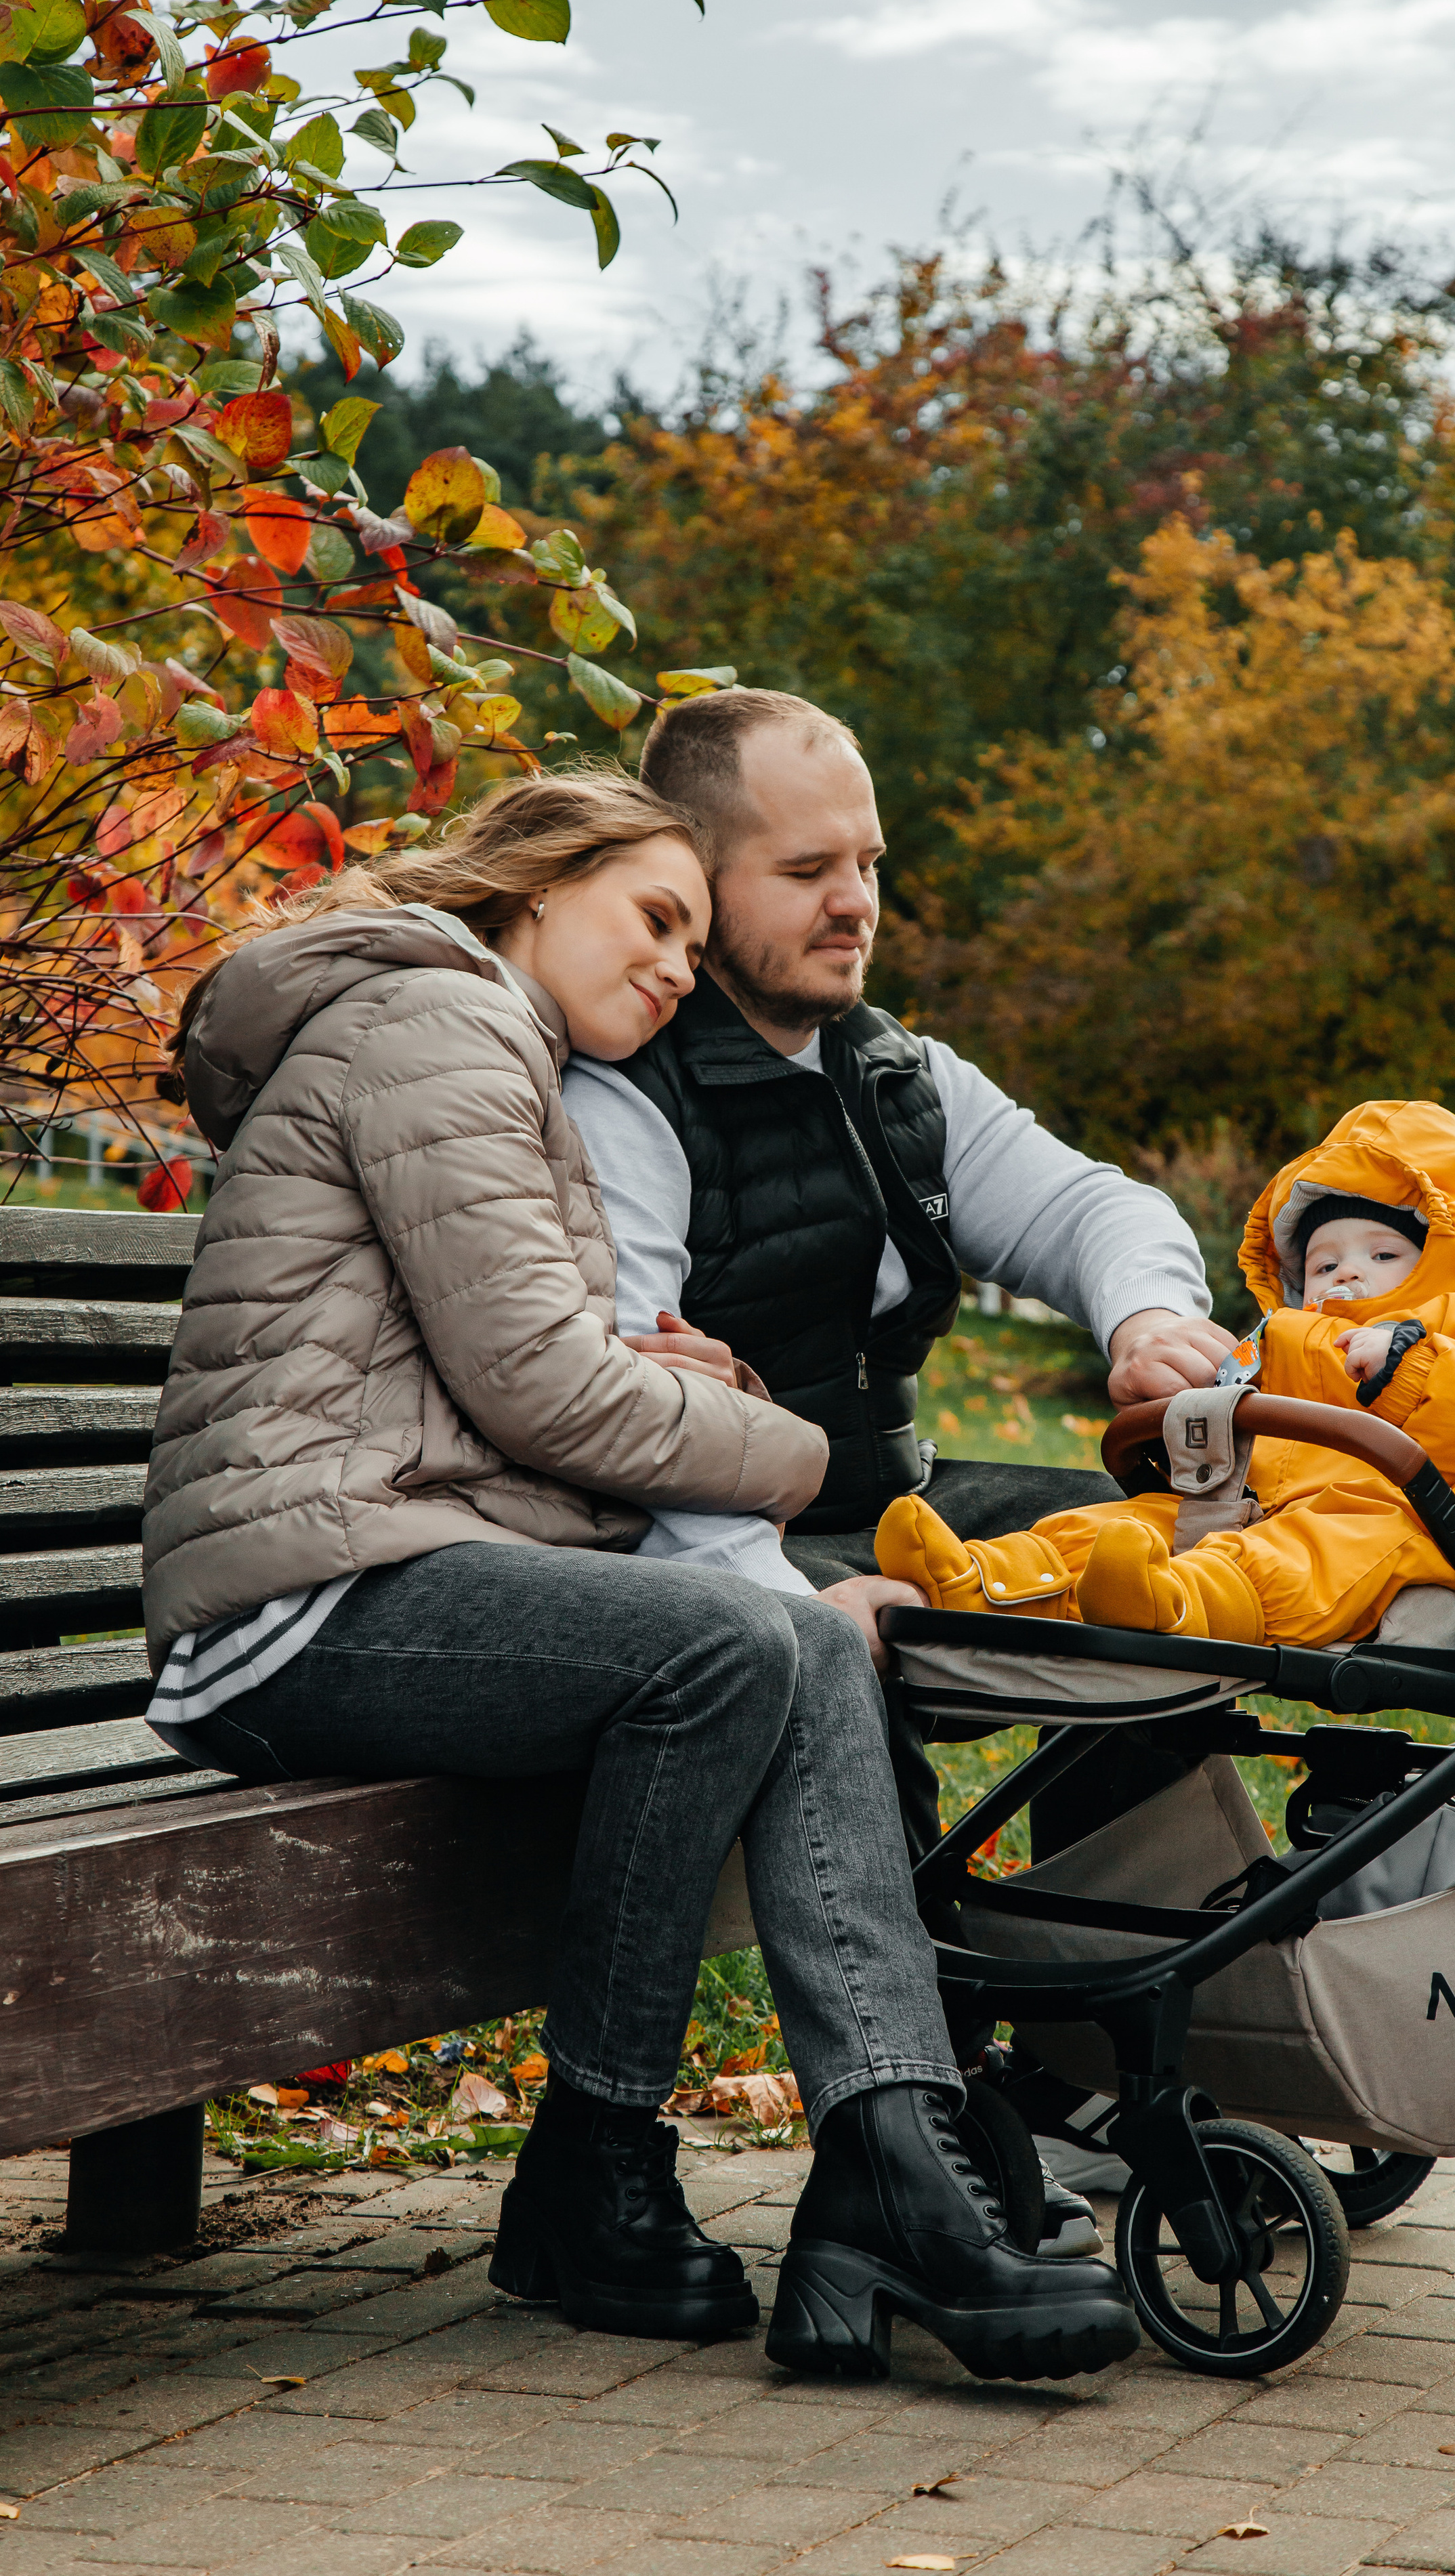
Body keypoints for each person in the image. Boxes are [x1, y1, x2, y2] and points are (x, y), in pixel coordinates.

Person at [143, 767, 1137, 2382]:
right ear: (537, 884)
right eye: (651, 917)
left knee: (772, 1639)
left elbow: (526, 1377)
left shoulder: (490, 1045)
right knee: (734, 1644)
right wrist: (785, 1446)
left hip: (395, 1566)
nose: (677, 964)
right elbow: (540, 1381)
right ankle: (614, 2164)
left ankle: (880, 2160)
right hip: (293, 1606)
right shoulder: (437, 1027)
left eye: (692, 932)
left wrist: (682, 1394)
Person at [562, 686, 1238, 1868]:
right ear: (699, 880)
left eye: (870, 862)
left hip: (894, 1508)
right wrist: (791, 1607)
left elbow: (1096, 1206)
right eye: (808, 868)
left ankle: (1106, 1990)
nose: (856, 904)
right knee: (846, 1662)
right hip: (698, 1553)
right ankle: (925, 2024)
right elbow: (634, 1419)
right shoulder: (625, 1093)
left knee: (1175, 1559)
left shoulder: (896, 1074)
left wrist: (1148, 1317)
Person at [877, 1100, 1455, 1645]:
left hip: (1395, 1517)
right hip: (1243, 1498)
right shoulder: (1275, 1340)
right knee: (1127, 1524)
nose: (1349, 1273)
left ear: (1441, 1256)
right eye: (1324, 1263)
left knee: (1301, 1554)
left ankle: (1177, 1606)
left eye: (1383, 1254)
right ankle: (980, 1580)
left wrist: (1402, 1364)